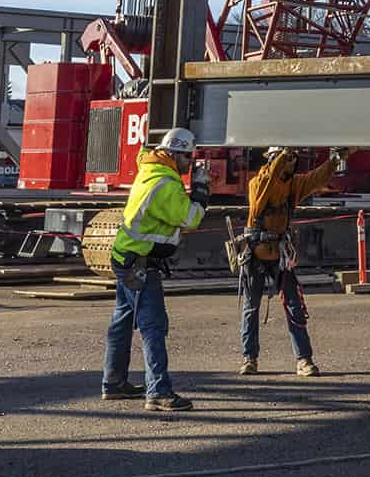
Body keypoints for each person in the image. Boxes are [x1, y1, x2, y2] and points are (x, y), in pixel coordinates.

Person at [102, 127, 210, 410]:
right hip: (140, 263)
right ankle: (159, 392)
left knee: (122, 322)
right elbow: (192, 218)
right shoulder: (166, 184)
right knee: (153, 326)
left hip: (125, 256)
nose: (191, 163)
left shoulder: (150, 170)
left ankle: (113, 384)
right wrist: (200, 189)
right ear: (174, 154)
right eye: (188, 157)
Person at [236, 145, 346, 376]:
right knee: (251, 308)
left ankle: (304, 360)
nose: (289, 163)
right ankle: (249, 358)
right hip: (256, 252)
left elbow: (316, 178)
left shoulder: (293, 185)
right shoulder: (258, 183)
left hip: (279, 253)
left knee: (294, 306)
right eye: (285, 159)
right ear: (273, 160)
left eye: (292, 160)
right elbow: (270, 179)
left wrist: (335, 160)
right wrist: (284, 153)